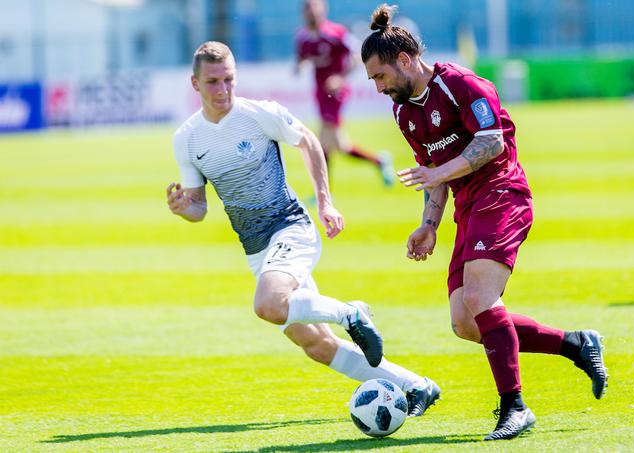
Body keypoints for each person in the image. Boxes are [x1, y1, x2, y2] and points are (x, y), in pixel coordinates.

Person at [360, 5, 608, 441]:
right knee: (466, 323)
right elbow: (431, 172)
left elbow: (491, 142)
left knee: (478, 295)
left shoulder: (461, 83)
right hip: (467, 205)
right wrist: (429, 224)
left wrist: (438, 174)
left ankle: (515, 407)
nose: (378, 88)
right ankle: (575, 344)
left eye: (379, 76)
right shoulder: (403, 113)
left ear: (404, 60)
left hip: (502, 192)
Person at [166, 41, 440, 416]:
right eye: (213, 82)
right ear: (195, 84)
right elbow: (198, 207)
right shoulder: (187, 139)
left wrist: (324, 200)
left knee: (268, 304)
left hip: (290, 228)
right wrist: (184, 208)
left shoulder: (258, 114)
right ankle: (415, 385)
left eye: (229, 79)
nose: (224, 90)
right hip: (257, 250)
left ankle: (351, 314)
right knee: (315, 344)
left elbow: (309, 142)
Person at [294, 0, 395, 187]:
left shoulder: (336, 33)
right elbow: (301, 59)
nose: (311, 14)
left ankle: (323, 192)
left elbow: (358, 57)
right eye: (307, 10)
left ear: (322, 11)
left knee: (323, 141)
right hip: (320, 92)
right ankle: (379, 162)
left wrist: (340, 78)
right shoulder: (302, 37)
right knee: (338, 145)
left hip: (337, 92)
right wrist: (299, 66)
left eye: (314, 9)